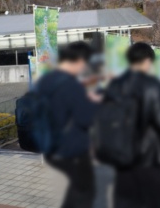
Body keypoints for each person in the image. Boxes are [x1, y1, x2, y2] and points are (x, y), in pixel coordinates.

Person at [104, 42, 160, 208]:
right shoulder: (151, 85)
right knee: (156, 202)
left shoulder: (114, 85)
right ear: (147, 61)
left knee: (125, 202)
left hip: (121, 156)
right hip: (149, 157)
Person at [39, 41, 97, 208]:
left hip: (50, 145)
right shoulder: (71, 85)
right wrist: (94, 103)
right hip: (71, 148)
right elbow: (85, 118)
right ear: (79, 61)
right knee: (85, 191)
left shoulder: (47, 80)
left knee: (76, 189)